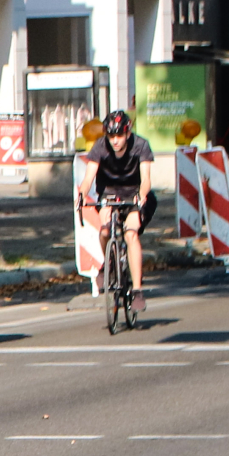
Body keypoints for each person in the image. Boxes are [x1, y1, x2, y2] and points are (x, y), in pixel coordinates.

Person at [78, 107, 154, 319]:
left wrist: (142, 194)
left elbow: (146, 177)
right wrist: (83, 193)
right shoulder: (100, 147)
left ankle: (137, 290)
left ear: (128, 133)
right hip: (110, 194)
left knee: (131, 233)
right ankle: (108, 263)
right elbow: (88, 177)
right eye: (111, 136)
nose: (115, 141)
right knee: (104, 231)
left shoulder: (141, 146)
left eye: (120, 135)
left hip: (134, 195)